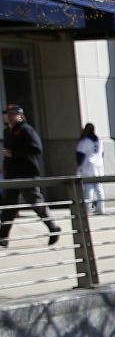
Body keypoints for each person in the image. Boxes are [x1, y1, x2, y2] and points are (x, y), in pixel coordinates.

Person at [0, 103, 60, 248]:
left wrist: (15, 154)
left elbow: (36, 149)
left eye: (12, 115)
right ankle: (3, 236)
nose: (9, 117)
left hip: (27, 174)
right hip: (12, 175)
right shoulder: (7, 132)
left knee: (35, 202)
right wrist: (5, 167)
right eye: (7, 115)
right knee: (9, 206)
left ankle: (53, 227)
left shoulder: (26, 130)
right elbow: (8, 153)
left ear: (20, 116)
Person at [74, 122, 109, 214]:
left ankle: (87, 208)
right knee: (99, 187)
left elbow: (80, 155)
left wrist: (79, 165)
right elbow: (102, 153)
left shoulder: (84, 141)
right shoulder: (99, 141)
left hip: (88, 165)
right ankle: (101, 208)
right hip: (98, 165)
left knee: (89, 187)